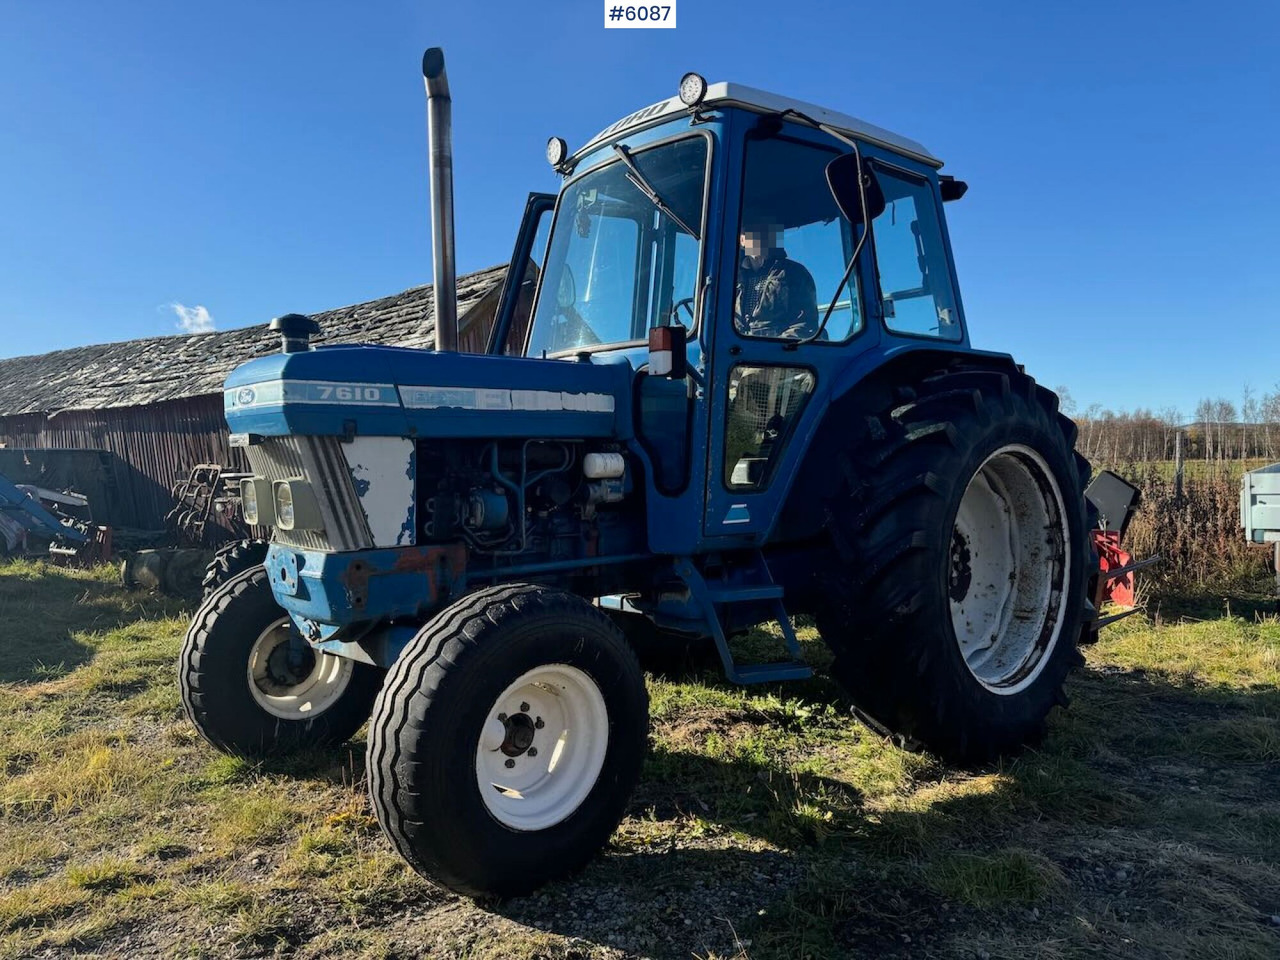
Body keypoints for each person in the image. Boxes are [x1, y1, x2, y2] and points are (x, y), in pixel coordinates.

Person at [735, 220, 819, 339]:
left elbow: (805, 324)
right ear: (741, 240)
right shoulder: (731, 278)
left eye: (762, 230)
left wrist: (774, 349)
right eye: (749, 231)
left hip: (778, 352)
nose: (756, 235)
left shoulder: (794, 273)